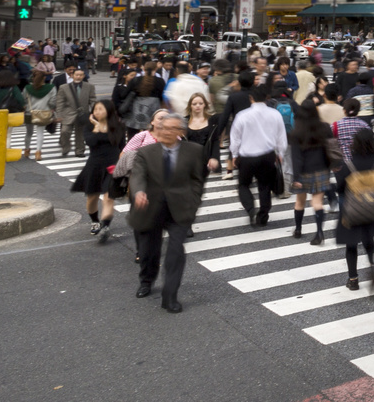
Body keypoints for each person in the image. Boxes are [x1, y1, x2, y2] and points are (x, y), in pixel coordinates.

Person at [126, 115, 216, 313]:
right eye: (162, 127)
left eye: (171, 128)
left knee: (175, 252)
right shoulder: (146, 152)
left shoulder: (194, 151)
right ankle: (146, 281)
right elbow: (138, 175)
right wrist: (139, 192)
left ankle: (170, 295)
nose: (166, 131)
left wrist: (194, 200)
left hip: (180, 208)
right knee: (149, 250)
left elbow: (198, 178)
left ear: (181, 132)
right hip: (151, 207)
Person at [333, 126, 374, 292]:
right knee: (369, 241)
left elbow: (340, 187)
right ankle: (372, 266)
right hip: (371, 208)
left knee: (351, 245)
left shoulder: (348, 164)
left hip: (352, 210)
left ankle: (353, 279)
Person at [227, 88, 288, 228]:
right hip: (267, 155)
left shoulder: (242, 115)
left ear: (251, 98)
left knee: (243, 184)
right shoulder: (275, 114)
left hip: (247, 156)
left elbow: (235, 138)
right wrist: (280, 154)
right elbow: (281, 137)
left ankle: (250, 209)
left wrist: (234, 155)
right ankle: (263, 214)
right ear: (267, 97)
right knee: (265, 185)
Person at [69, 99, 124, 243]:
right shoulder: (89, 126)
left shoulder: (118, 125)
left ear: (109, 110)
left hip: (112, 165)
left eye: (101, 109)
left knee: (108, 197)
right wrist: (97, 127)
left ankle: (105, 227)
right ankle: (95, 221)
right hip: (94, 165)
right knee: (92, 197)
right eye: (95, 109)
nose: (97, 112)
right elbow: (91, 142)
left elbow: (121, 145)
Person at [288, 97, 336, 244]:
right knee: (317, 202)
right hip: (322, 169)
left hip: (303, 171)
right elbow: (331, 147)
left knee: (300, 201)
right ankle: (319, 232)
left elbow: (296, 158)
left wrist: (296, 177)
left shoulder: (296, 132)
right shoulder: (325, 127)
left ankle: (298, 229)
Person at [52, 65, 95, 159]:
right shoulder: (64, 87)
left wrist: (94, 112)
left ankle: (79, 150)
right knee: (64, 131)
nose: (78, 77)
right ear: (72, 76)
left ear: (84, 76)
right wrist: (58, 115)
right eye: (76, 75)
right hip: (67, 113)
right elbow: (60, 102)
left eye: (81, 75)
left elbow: (92, 100)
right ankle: (66, 147)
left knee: (80, 134)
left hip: (83, 113)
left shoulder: (89, 87)